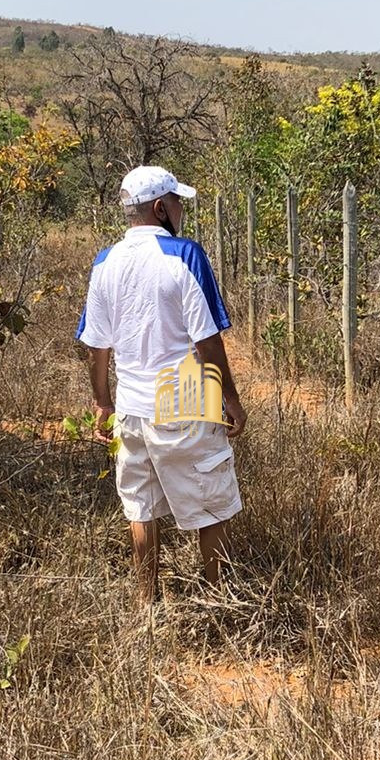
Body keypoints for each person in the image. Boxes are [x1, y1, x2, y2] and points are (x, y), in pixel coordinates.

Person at [77, 165, 247, 603]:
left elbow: (97, 346)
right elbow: (207, 341)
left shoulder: (105, 261)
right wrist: (231, 400)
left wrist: (103, 402)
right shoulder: (185, 255)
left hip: (132, 404)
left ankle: (147, 603)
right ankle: (218, 598)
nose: (180, 210)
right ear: (159, 208)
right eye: (176, 202)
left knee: (141, 505)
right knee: (211, 503)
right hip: (185, 392)